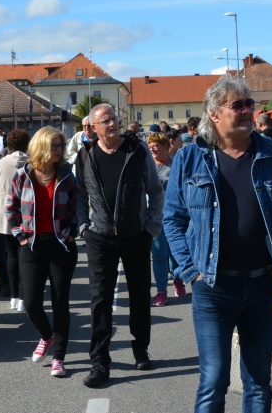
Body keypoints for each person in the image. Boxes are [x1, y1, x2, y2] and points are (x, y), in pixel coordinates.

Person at [164, 76, 272, 413]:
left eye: (249, 104)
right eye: (237, 105)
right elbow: (173, 219)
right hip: (213, 286)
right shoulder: (190, 159)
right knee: (214, 381)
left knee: (258, 382)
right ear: (214, 114)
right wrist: (190, 270)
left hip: (262, 285)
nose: (246, 111)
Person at [74, 103, 165, 388]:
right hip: (100, 237)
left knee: (139, 295)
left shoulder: (136, 151)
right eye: (106, 121)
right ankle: (100, 361)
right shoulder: (86, 155)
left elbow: (154, 190)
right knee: (100, 299)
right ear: (94, 128)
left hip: (135, 234)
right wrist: (83, 226)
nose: (112, 124)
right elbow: (78, 193)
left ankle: (140, 347)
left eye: (114, 119)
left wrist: (151, 227)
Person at [8, 127, 79, 379]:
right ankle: (47, 336)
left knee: (60, 303)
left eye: (62, 145)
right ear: (42, 147)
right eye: (56, 146)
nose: (60, 150)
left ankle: (59, 358)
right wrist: (20, 235)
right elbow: (10, 208)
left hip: (61, 246)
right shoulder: (22, 176)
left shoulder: (67, 175)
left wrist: (72, 231)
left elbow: (78, 206)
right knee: (31, 303)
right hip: (32, 246)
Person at [0, 128, 30, 306]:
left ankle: (14, 296)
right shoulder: (31, 162)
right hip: (26, 213)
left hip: (5, 214)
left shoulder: (0, 163)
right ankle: (23, 295)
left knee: (11, 255)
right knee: (25, 256)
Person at [147, 132, 179, 305]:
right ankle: (161, 291)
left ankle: (178, 278)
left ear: (166, 147)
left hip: (175, 216)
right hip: (154, 217)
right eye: (150, 144)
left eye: (156, 144)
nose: (152, 147)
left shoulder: (176, 164)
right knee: (159, 254)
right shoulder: (147, 165)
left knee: (175, 253)